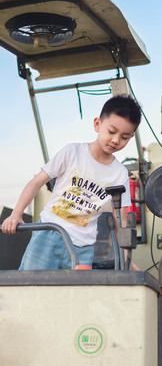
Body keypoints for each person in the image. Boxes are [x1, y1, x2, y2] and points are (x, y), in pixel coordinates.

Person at [2, 95, 141, 270]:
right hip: (48, 236)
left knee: (76, 295)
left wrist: (126, 256)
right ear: (97, 124)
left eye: (124, 137)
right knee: (30, 288)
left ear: (131, 137)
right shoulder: (72, 152)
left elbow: (118, 217)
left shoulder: (119, 174)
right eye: (111, 132)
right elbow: (36, 183)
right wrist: (16, 214)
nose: (115, 140)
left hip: (83, 249)